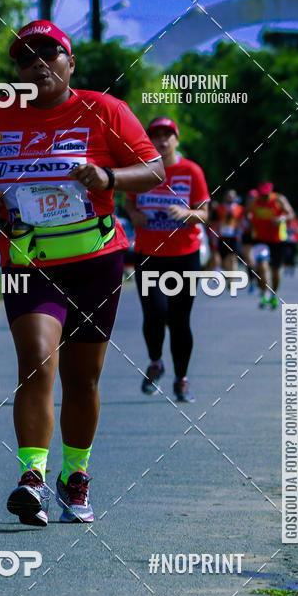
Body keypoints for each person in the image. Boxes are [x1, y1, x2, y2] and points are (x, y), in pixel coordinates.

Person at [0, 20, 164, 526]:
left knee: (82, 378)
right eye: (26, 58)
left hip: (95, 261)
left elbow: (154, 168)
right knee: (35, 360)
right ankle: (32, 478)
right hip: (28, 259)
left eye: (49, 54)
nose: (37, 65)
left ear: (70, 63)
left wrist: (109, 176)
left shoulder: (104, 109)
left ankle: (75, 477)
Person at [124, 116, 210, 402]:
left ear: (176, 138)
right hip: (149, 255)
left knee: (179, 320)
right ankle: (155, 361)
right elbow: (129, 202)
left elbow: (205, 213)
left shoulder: (191, 171)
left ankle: (181, 379)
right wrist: (134, 215)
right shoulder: (141, 170)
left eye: (167, 135)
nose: (162, 140)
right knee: (155, 313)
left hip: (184, 256)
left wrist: (187, 214)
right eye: (156, 136)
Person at [247, 181, 294, 309]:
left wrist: (281, 219)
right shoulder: (254, 201)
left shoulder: (279, 199)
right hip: (260, 239)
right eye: (262, 195)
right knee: (262, 266)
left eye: (266, 195)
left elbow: (291, 214)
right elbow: (247, 214)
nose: (264, 197)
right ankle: (264, 293)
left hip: (277, 240)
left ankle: (273, 294)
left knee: (275, 271)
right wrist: (250, 218)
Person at [213, 189, 244, 272]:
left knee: (233, 258)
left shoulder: (240, 209)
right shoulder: (219, 208)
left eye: (232, 196)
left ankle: (232, 282)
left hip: (234, 238)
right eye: (229, 196)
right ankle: (227, 278)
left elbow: (243, 223)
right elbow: (212, 222)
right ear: (225, 197)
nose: (230, 198)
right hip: (222, 238)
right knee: (223, 261)